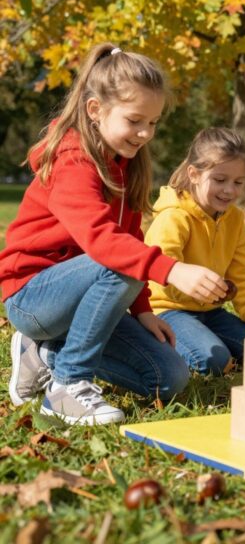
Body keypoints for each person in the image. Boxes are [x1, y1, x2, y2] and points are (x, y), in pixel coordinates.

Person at [0, 44, 210, 425]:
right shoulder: (72, 158)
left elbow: (130, 236)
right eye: (135, 120)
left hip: (87, 291)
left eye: (154, 122)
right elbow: (103, 241)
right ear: (95, 110)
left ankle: (44, 355)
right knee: (122, 263)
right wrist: (172, 271)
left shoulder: (127, 166)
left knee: (169, 377)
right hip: (33, 296)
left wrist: (144, 310)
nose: (146, 132)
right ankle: (66, 385)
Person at [145, 128, 245, 374]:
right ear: (194, 174)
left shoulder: (233, 218)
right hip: (167, 310)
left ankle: (206, 338)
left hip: (210, 312)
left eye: (238, 183)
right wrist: (194, 288)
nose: (229, 190)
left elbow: (241, 275)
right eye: (220, 180)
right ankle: (163, 343)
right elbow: (157, 272)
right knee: (212, 359)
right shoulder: (174, 216)